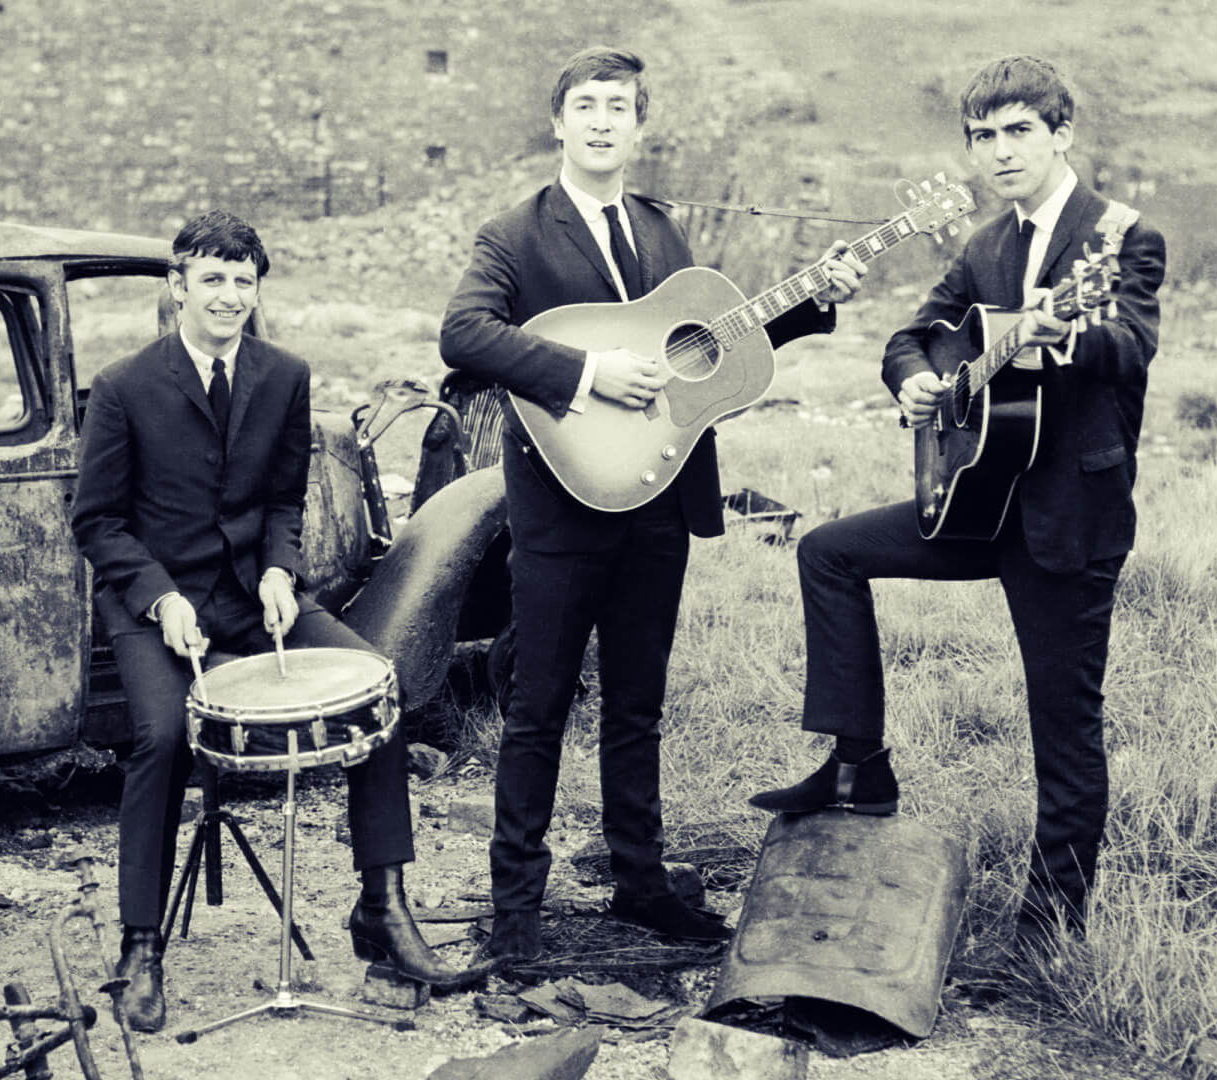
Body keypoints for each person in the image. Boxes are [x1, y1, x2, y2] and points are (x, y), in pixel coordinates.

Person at [439, 46, 866, 964]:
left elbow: (707, 344)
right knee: (536, 706)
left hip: (660, 500)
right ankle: (516, 912)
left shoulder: (663, 235)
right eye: (586, 105)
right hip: (557, 507)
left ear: (639, 126)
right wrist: (589, 370)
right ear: (558, 122)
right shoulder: (513, 234)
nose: (602, 120)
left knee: (639, 706)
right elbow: (464, 333)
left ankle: (640, 884)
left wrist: (812, 300)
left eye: (619, 107)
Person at [748, 55, 1165, 955]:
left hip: (1065, 520)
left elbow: (1131, 346)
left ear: (1062, 135)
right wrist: (923, 383)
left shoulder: (1121, 235)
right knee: (828, 550)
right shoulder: (987, 244)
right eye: (984, 135)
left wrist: (1065, 332)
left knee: (1062, 724)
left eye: (1020, 131)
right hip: (976, 501)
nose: (1000, 150)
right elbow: (910, 337)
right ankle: (859, 766)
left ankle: (1047, 932)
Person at [70, 210, 490, 1033]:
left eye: (243, 281)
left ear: (257, 290)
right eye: (212, 279)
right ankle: (140, 947)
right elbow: (98, 524)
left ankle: (382, 907)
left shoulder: (286, 373)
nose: (228, 296)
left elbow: (281, 500)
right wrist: (162, 597)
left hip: (255, 599)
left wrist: (276, 567)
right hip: (154, 607)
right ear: (178, 286)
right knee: (160, 737)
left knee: (378, 685)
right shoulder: (124, 386)